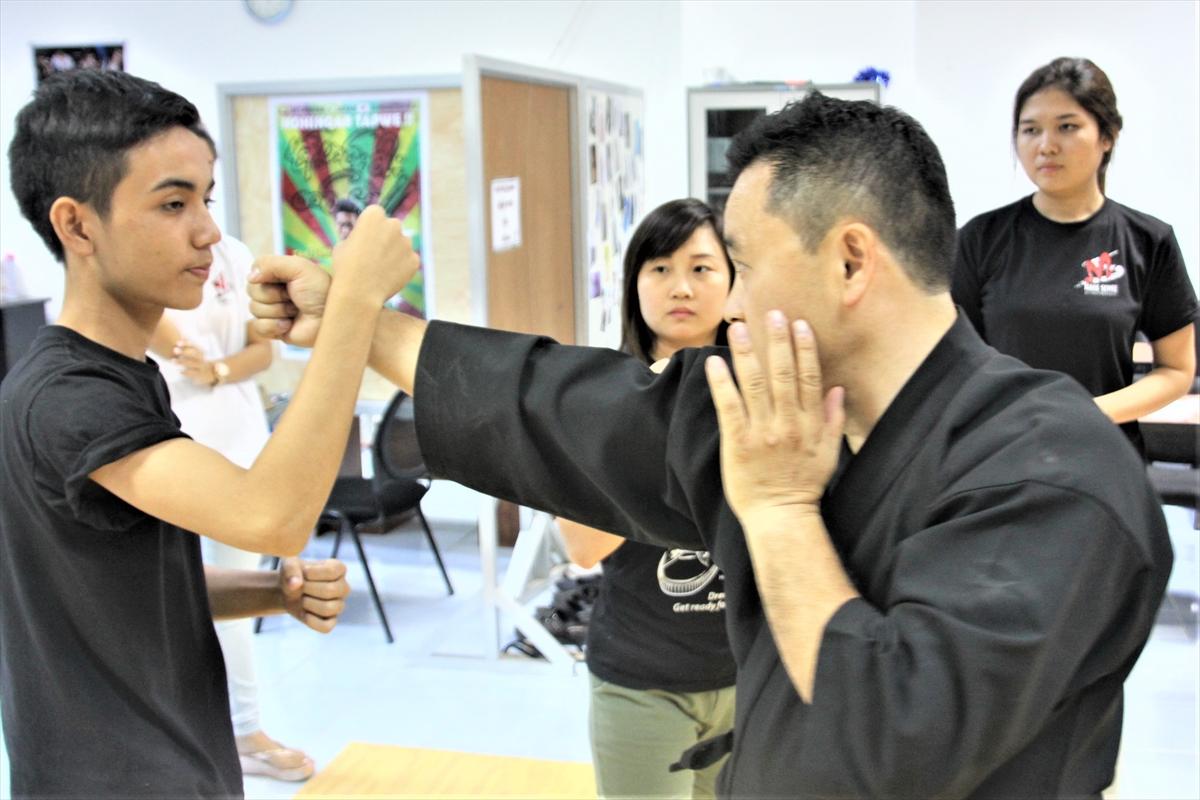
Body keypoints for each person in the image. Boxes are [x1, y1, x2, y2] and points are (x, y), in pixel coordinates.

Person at [250, 92, 1174, 798]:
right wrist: (356, 323)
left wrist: (780, 512)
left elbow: (896, 734)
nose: (730, 302)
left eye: (745, 265)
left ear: (851, 260)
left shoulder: (1054, 472)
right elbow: (564, 405)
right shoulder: (764, 401)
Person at [0, 69, 414, 798]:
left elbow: (127, 584)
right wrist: (353, 303)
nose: (208, 232)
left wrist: (270, 591)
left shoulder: (118, 374)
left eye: (205, 199)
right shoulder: (69, 397)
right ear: (77, 225)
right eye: (173, 203)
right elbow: (272, 516)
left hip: (172, 761)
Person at [555, 198, 736, 799]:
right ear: (635, 284)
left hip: (750, 676)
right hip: (641, 679)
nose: (681, 286)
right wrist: (650, 426)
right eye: (660, 268)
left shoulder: (761, 387)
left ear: (732, 281)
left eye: (702, 268)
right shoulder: (598, 397)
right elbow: (582, 548)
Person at [953, 57, 1197, 455]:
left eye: (1067, 127)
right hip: (1002, 457)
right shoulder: (980, 238)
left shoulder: (1148, 241)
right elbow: (955, 359)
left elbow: (1176, 370)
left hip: (1105, 457)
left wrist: (1085, 412)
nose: (1046, 146)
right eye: (1030, 130)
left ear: (1107, 136)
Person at [149, 234, 314, 783]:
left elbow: (263, 350)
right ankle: (195, 737)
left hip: (241, 448)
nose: (202, 221)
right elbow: (149, 327)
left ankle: (245, 733)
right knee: (173, 600)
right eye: (178, 201)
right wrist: (189, 357)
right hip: (169, 452)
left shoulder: (233, 254)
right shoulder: (138, 250)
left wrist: (216, 370)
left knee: (237, 604)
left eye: (208, 197)